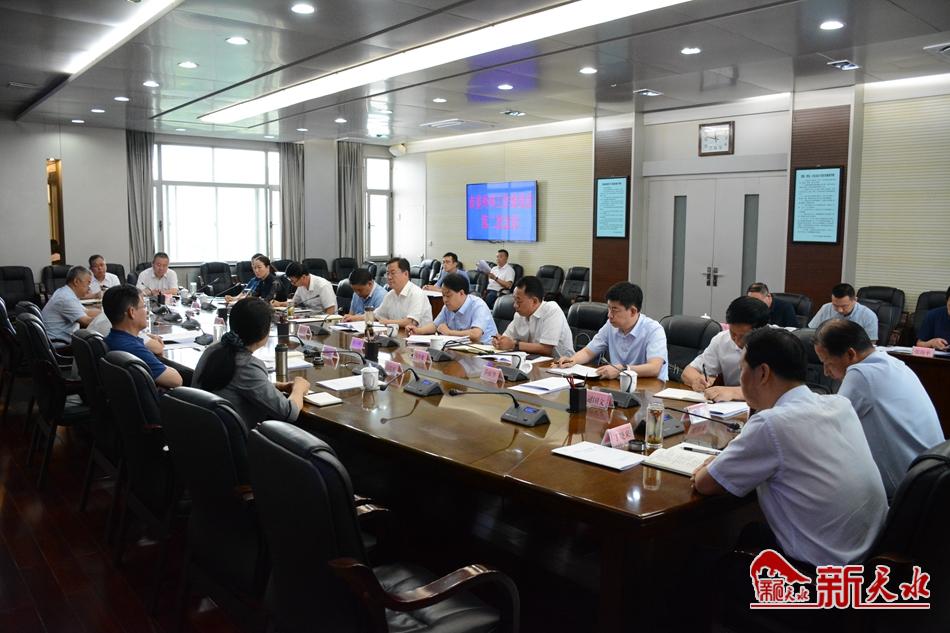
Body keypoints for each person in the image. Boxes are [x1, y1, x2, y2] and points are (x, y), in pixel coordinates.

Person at [693, 328, 887, 566]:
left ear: (763, 373)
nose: (740, 378)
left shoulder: (772, 423)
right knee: (750, 532)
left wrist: (713, 464)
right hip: (868, 558)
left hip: (816, 573)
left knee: (698, 561)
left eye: (742, 369)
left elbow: (705, 484)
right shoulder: (839, 404)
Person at [815, 319, 943, 498]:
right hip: (932, 476)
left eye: (827, 363)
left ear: (850, 354)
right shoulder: (894, 363)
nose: (826, 372)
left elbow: (828, 427)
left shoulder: (861, 374)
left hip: (906, 490)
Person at [193, 298, 309, 431]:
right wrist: (299, 388)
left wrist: (276, 386)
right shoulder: (247, 365)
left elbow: (233, 385)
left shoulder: (214, 349)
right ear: (264, 331)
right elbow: (288, 413)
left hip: (204, 436)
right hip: (235, 441)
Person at [555, 282, 668, 380]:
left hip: (650, 389)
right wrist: (572, 360)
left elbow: (654, 368)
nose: (609, 315)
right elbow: (588, 352)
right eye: (609, 308)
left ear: (633, 311)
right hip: (619, 385)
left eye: (614, 310)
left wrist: (622, 370)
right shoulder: (610, 325)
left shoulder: (653, 330)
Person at [681, 296, 770, 402]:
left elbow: (779, 391)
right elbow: (688, 372)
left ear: (761, 330)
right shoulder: (722, 340)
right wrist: (696, 380)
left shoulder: (779, 342)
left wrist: (733, 392)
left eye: (744, 336)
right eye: (733, 333)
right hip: (728, 408)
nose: (737, 341)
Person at [102, 285, 182, 389]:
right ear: (131, 312)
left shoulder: (112, 339)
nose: (147, 311)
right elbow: (176, 380)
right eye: (144, 306)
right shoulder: (132, 348)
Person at [491, 275, 574, 358]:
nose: (515, 305)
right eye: (514, 300)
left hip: (561, 362)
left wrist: (514, 345)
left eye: (519, 301)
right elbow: (507, 337)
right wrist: (500, 342)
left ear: (534, 301)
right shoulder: (519, 315)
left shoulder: (552, 310)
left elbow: (546, 349)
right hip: (532, 360)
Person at [406, 273, 496, 343]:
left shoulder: (478, 305)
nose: (445, 300)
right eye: (443, 295)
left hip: (484, 352)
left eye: (448, 296)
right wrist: (418, 331)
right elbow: (435, 325)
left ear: (461, 293)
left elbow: (476, 335)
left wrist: (449, 333)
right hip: (461, 349)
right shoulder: (448, 307)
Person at [350, 257, 432, 328]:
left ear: (406, 274)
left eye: (393, 273)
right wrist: (353, 318)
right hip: (399, 335)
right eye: (387, 273)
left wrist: (388, 322)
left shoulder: (417, 293)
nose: (389, 277)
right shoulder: (390, 295)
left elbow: (410, 322)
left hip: (419, 338)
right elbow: (375, 315)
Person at [41, 265, 101, 347]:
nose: (89, 288)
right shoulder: (66, 298)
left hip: (57, 341)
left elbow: (87, 312)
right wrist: (110, 319)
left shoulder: (65, 292)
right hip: (59, 345)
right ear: (76, 281)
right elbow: (87, 321)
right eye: (88, 283)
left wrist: (107, 312)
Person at [807, 283, 878, 343]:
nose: (840, 310)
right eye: (835, 305)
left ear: (855, 300)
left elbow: (871, 343)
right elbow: (812, 331)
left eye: (844, 306)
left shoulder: (868, 315)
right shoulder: (826, 308)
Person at [915, 285, 950, 350]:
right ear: (947, 300)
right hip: (938, 355)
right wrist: (931, 343)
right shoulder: (933, 315)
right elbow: (919, 344)